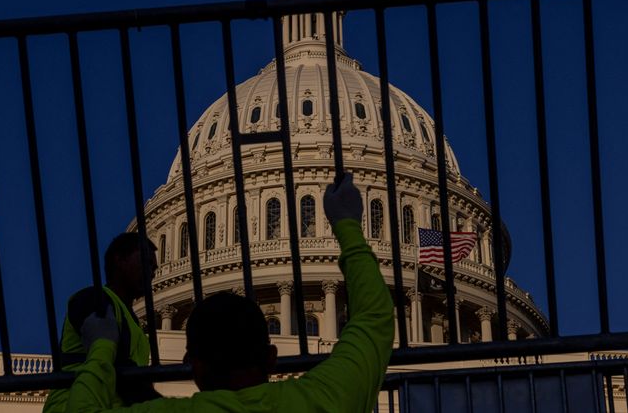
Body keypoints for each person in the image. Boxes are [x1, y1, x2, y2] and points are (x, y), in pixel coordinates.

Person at [67, 173, 394, 412]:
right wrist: (347, 226)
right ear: (271, 358)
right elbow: (375, 318)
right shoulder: (327, 397)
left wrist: (100, 351)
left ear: (194, 366)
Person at [43, 232, 161, 413]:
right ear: (119, 259)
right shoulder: (92, 299)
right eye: (145, 262)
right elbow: (119, 369)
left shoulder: (135, 327)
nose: (151, 273)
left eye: (153, 268)